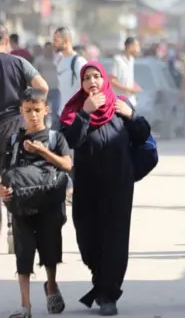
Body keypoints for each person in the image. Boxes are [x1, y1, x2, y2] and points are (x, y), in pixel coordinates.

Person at [59, 62, 151, 316]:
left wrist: (131, 116)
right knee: (87, 237)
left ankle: (108, 293)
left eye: (97, 76)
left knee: (115, 239)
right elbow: (68, 141)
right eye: (87, 78)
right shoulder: (74, 109)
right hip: (87, 185)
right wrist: (86, 113)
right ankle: (100, 280)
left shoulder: (120, 105)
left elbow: (143, 134)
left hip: (118, 185)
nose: (92, 82)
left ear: (104, 80)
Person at [0, 88, 72, 318]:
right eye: (28, 111)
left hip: (49, 205)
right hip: (21, 206)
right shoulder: (13, 140)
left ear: (46, 109)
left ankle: (51, 285)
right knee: (23, 252)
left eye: (37, 110)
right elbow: (3, 174)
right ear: (21, 111)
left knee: (50, 250)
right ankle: (25, 306)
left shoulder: (55, 138)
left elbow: (67, 165)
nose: (33, 115)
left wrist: (42, 150)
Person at [0, 23, 48, 249]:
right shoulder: (20, 63)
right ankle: (14, 231)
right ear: (7, 42)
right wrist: (27, 106)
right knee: (14, 179)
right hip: (16, 130)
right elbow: (42, 87)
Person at [52, 27, 87, 117]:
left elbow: (86, 89)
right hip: (61, 114)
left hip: (75, 115)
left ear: (66, 40)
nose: (54, 43)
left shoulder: (79, 62)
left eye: (56, 40)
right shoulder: (59, 60)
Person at [33, 42, 61, 128]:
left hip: (56, 89)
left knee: (55, 111)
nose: (49, 51)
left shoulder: (58, 59)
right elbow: (34, 74)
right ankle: (43, 128)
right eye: (47, 49)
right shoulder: (39, 60)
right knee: (43, 111)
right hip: (43, 90)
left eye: (51, 49)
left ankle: (54, 130)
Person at [110, 37, 142, 106]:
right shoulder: (117, 60)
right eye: (136, 45)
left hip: (131, 100)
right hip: (120, 100)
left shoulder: (131, 60)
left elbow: (128, 78)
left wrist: (135, 86)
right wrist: (128, 89)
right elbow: (113, 81)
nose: (138, 48)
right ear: (129, 46)